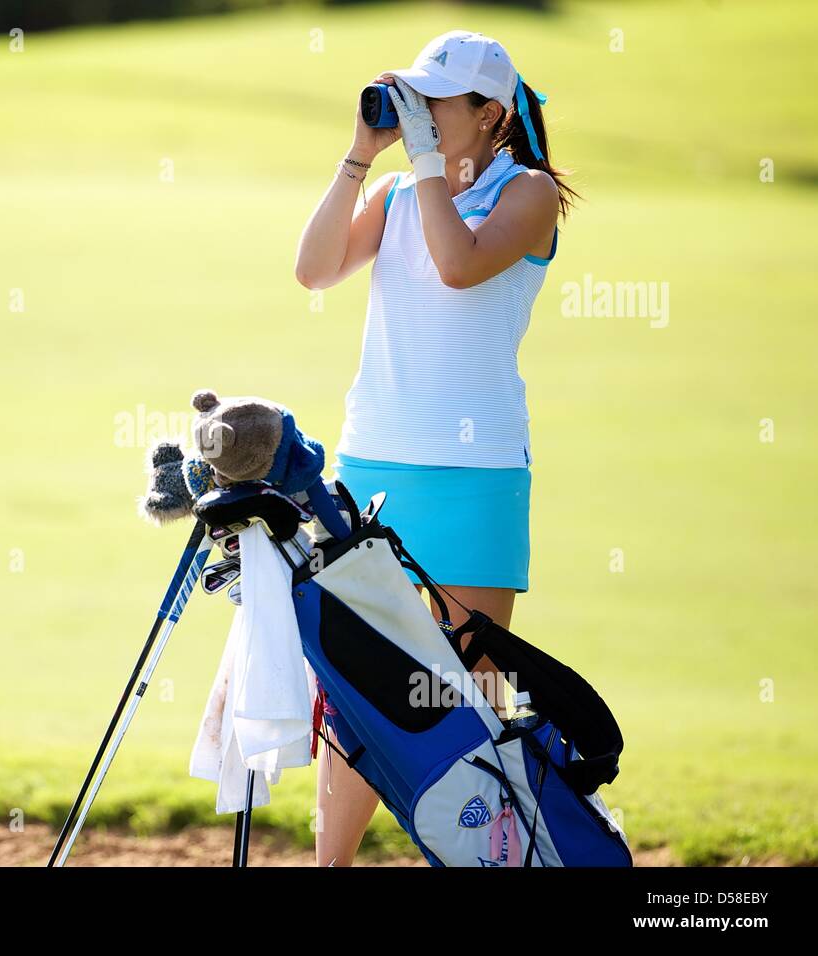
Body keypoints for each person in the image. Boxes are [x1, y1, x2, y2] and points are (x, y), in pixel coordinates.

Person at [293, 29, 578, 866]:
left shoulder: (528, 193)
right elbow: (313, 271)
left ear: (491, 115)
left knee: (469, 698)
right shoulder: (392, 192)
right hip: (372, 466)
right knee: (357, 698)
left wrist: (420, 165)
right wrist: (359, 155)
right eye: (410, 95)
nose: (418, 112)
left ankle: (492, 855)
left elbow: (459, 266)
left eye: (436, 102)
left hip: (475, 479)